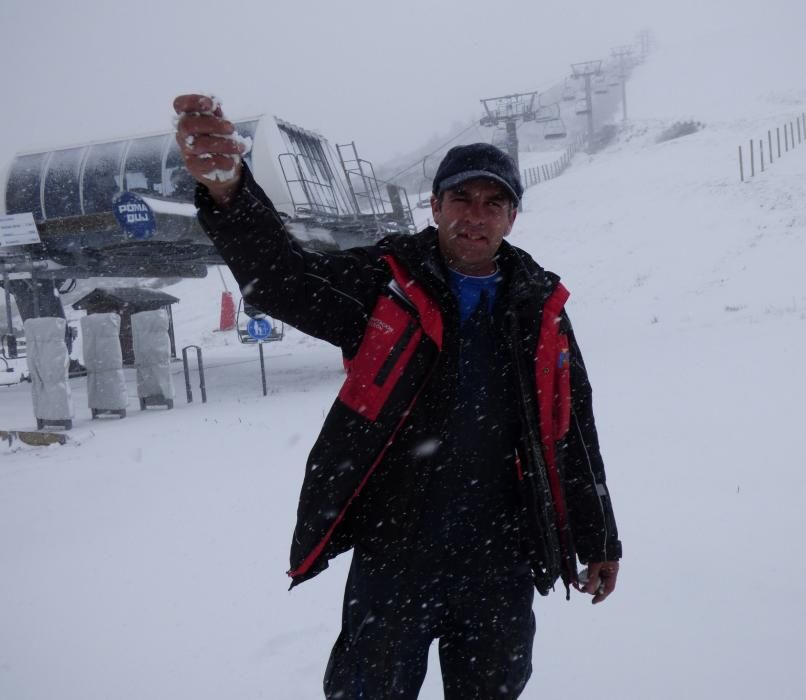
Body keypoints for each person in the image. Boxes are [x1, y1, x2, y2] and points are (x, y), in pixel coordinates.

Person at [173, 94, 622, 699]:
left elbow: (573, 430)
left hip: (502, 557)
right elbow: (283, 282)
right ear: (434, 205)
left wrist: (598, 540)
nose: (476, 214)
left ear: (512, 218)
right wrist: (231, 195)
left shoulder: (539, 306)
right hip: (396, 552)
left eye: (494, 203)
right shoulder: (385, 281)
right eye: (461, 198)